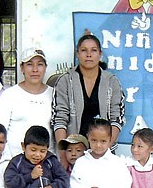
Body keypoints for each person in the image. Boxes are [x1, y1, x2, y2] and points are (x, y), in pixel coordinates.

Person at [52, 33, 125, 164]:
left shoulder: (112, 82)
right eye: (84, 50)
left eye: (94, 50)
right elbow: (59, 119)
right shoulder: (65, 81)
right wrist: (64, 155)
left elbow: (117, 118)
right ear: (77, 54)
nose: (89, 54)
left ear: (100, 54)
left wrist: (103, 150)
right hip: (73, 153)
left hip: (104, 153)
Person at [0, 47, 54, 157]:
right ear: (22, 68)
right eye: (30, 64)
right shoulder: (9, 95)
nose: (35, 70)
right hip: (15, 162)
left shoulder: (54, 95)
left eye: (40, 64)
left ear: (45, 67)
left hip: (46, 163)